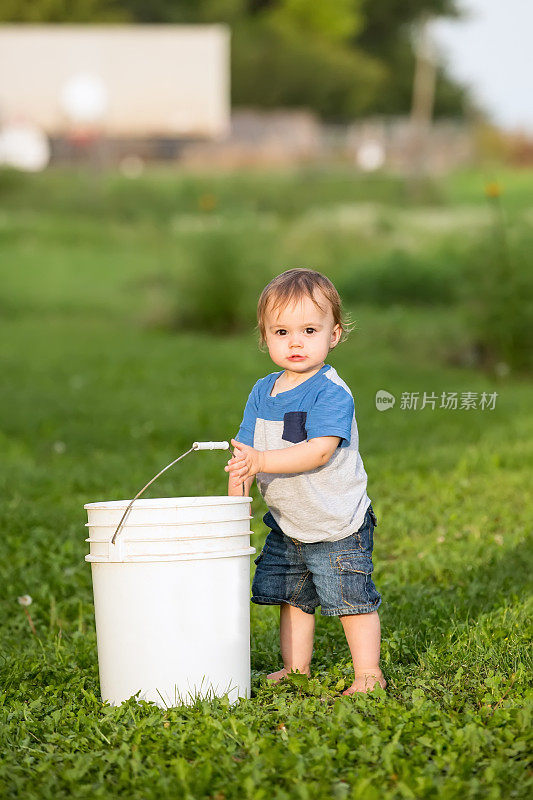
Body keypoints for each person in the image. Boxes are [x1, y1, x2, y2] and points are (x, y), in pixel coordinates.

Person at [225, 268, 386, 695]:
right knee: (293, 597)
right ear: (265, 338)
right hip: (289, 521)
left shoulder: (331, 392)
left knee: (350, 599)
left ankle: (368, 673)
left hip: (336, 522)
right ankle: (296, 667)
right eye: (282, 331)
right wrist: (234, 507)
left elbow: (319, 450)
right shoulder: (262, 391)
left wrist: (262, 459)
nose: (296, 342)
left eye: (309, 330)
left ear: (334, 335)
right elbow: (244, 456)